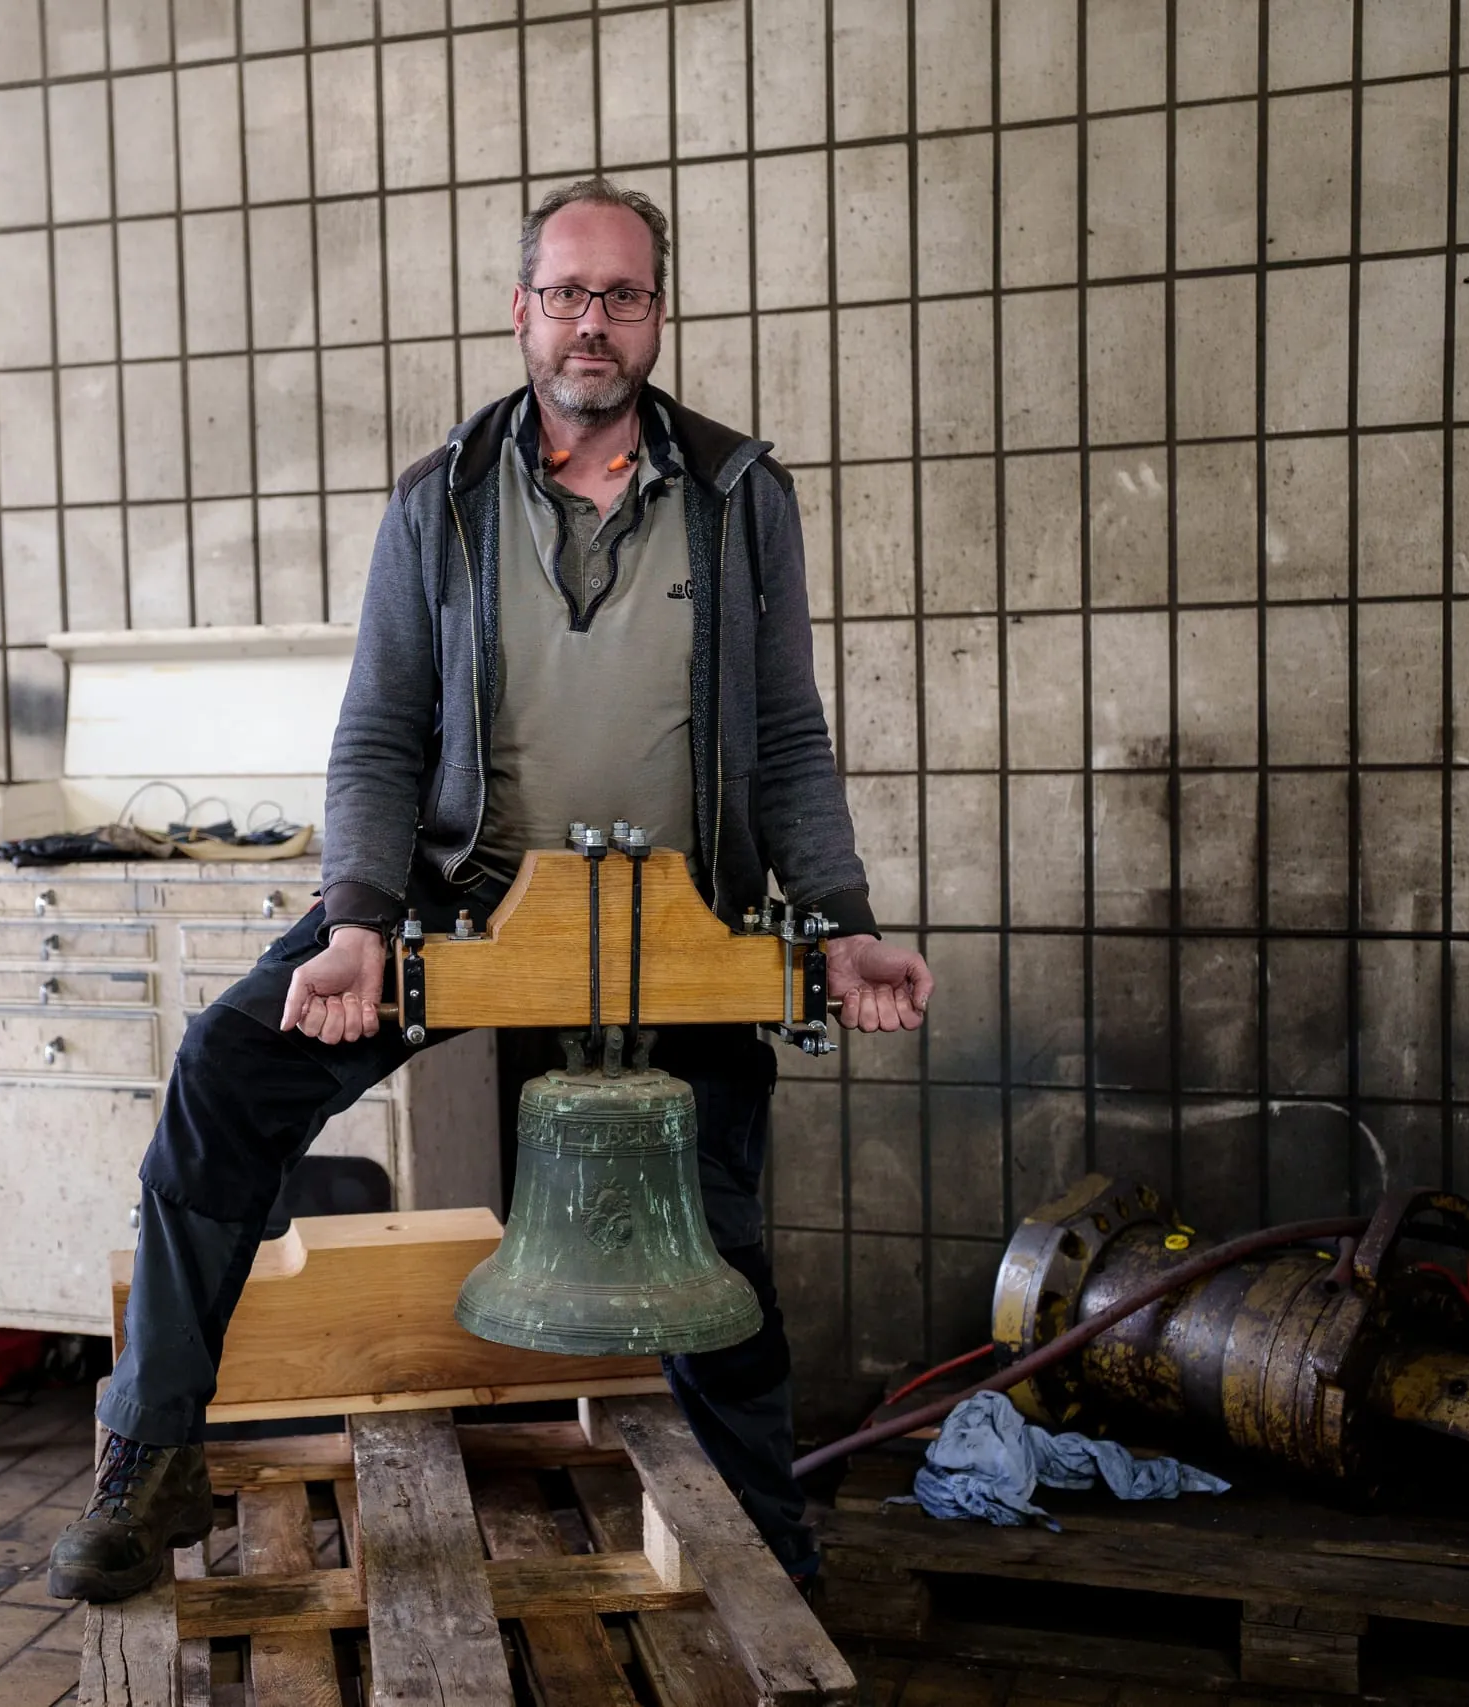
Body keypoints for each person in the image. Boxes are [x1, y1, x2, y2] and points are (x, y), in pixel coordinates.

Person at [47, 178, 934, 1603]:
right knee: (224, 1073)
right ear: (522, 310)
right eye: (567, 293)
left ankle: (769, 1550)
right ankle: (147, 1460)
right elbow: (380, 733)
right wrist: (356, 920)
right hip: (464, 897)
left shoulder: (738, 495)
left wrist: (842, 921)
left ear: (658, 314)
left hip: (679, 922)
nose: (594, 321)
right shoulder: (440, 499)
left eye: (622, 295)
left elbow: (785, 734)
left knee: (712, 1230)